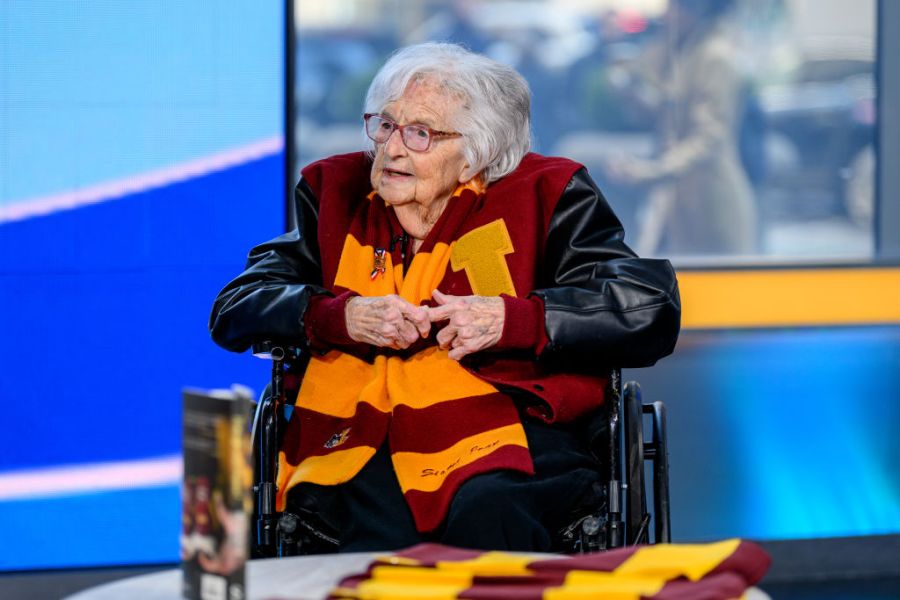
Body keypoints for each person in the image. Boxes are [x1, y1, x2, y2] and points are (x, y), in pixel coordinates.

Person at [209, 42, 680, 553]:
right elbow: (238, 304)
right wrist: (339, 315)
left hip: (512, 423)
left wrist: (517, 320)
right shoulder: (335, 191)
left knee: (490, 510)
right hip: (357, 425)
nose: (391, 149)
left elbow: (648, 304)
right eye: (385, 125)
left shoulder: (546, 193)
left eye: (421, 134)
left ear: (479, 152)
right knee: (372, 522)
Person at [604, 0, 758, 257]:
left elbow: (708, 139)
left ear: (697, 10)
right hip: (681, 198)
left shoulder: (715, 57)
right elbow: (669, 114)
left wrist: (651, 171)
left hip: (711, 200)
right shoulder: (685, 51)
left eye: (674, 7)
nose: (667, 14)